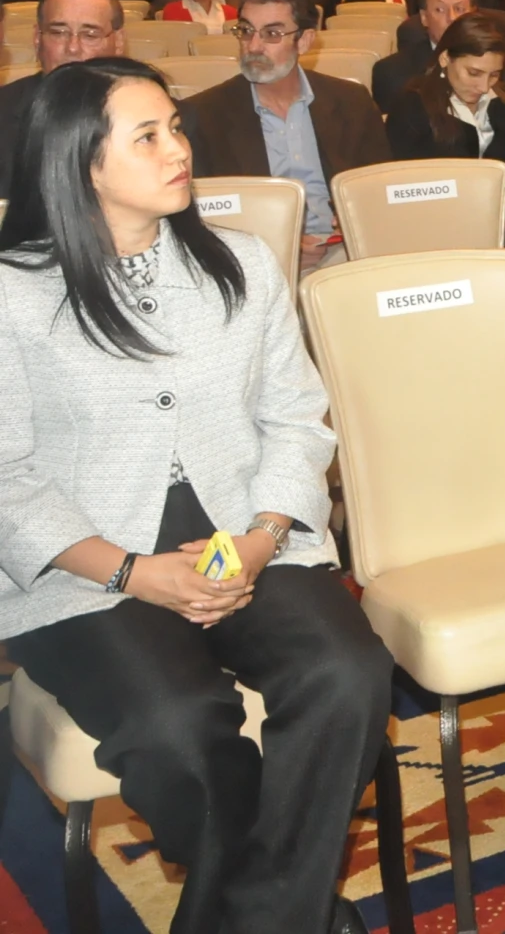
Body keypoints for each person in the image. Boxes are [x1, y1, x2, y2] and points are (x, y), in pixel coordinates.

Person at [0, 56, 393, 934]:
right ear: (79, 162)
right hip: (87, 564)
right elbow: (5, 476)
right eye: (149, 136)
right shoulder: (13, 291)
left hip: (241, 532)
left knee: (348, 671)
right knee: (183, 728)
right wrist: (134, 574)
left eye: (175, 126)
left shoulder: (242, 265)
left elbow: (297, 418)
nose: (180, 147)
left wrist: (258, 539)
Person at [183, 0, 392, 273]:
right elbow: (203, 216)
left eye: (272, 34)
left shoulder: (351, 102)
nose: (253, 46)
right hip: (257, 261)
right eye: (245, 31)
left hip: (346, 252)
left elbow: (379, 188)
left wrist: (354, 220)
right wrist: (279, 245)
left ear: (304, 41)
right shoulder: (203, 114)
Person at [385, 11, 505, 367]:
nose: (483, 86)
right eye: (474, 73)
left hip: (501, 226)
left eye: (494, 74)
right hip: (436, 232)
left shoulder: (504, 106)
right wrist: (484, 190)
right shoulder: (413, 106)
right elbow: (410, 189)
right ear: (446, 58)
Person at [0, 0, 128, 194]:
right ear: (37, 39)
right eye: (58, 32)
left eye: (90, 35)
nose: (73, 48)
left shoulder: (163, 120)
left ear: (119, 41)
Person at [371, 0, 478, 112]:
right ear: (424, 18)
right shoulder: (392, 72)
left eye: (459, 9)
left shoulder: (500, 63)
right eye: (440, 10)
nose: (452, 18)